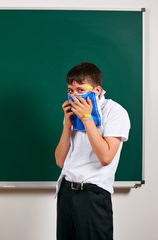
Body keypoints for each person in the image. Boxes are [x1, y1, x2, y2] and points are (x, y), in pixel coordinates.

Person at [54, 62, 131, 240]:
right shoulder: (72, 114)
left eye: (80, 90)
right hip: (66, 192)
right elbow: (60, 161)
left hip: (92, 194)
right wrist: (67, 124)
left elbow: (105, 157)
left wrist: (87, 119)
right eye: (70, 90)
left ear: (96, 91)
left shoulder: (115, 112)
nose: (74, 95)